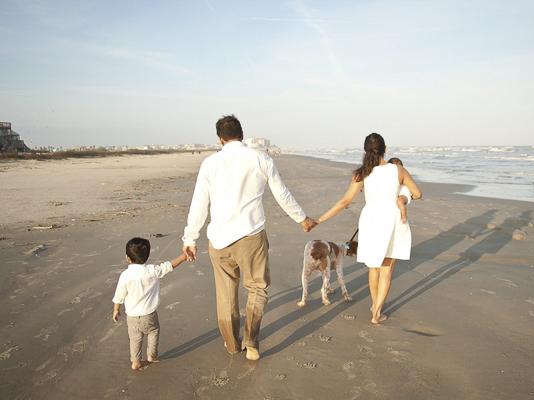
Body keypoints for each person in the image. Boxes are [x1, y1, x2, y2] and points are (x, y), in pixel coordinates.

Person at [182, 115, 316, 361]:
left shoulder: (210, 163)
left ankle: (232, 344)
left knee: (225, 295)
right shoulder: (261, 158)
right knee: (257, 288)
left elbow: (199, 204)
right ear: (242, 135)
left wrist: (190, 238)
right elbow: (281, 193)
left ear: (220, 139)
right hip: (251, 237)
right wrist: (302, 219)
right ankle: (251, 342)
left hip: (219, 240)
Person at [314, 133, 422, 324]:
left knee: (374, 268)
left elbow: (345, 201)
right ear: (385, 149)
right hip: (391, 218)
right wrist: (403, 198)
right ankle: (377, 313)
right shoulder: (398, 170)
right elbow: (418, 193)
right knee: (386, 269)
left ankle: (375, 306)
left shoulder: (361, 173)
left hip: (370, 219)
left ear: (365, 150)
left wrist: (319, 220)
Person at [112, 237, 187, 370]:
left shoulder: (125, 275)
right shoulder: (153, 270)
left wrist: (116, 309)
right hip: (149, 314)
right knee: (153, 331)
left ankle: (136, 361)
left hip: (132, 316)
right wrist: (184, 256)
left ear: (127, 258)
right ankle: (151, 355)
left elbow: (119, 294)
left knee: (135, 338)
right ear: (147, 256)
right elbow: (170, 266)